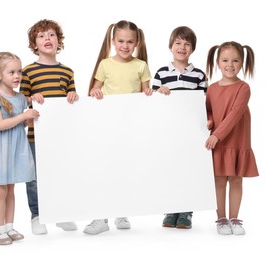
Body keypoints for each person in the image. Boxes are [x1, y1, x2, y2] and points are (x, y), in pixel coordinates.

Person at [84, 20, 153, 235]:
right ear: (113, 41)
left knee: (125, 169)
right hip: (107, 126)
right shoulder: (105, 64)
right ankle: (100, 216)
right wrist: (96, 92)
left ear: (136, 43)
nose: (125, 45)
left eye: (130, 42)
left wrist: (149, 93)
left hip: (130, 127)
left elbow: (145, 94)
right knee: (104, 169)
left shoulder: (141, 65)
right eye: (121, 41)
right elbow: (95, 89)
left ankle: (122, 212)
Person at [20, 19, 79, 235]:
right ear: (34, 44)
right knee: (34, 177)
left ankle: (60, 213)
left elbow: (72, 102)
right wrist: (30, 98)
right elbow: (21, 102)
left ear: (59, 41)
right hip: (36, 135)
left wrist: (73, 95)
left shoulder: (67, 72)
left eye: (52, 35)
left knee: (61, 174)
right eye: (42, 36)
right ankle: (38, 216)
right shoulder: (28, 72)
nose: (47, 39)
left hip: (61, 135)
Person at [0, 52, 40, 245]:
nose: (17, 76)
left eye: (19, 72)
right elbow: (1, 125)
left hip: (15, 148)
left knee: (12, 189)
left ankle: (10, 226)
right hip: (0, 150)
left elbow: (18, 124)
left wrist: (28, 119)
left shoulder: (21, 98)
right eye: (11, 72)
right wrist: (23, 117)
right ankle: (0, 230)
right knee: (1, 190)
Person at [152, 26, 207, 230]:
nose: (182, 47)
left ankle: (186, 211)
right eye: (178, 43)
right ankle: (171, 208)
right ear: (170, 46)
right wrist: (159, 91)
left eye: (187, 44)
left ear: (192, 48)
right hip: (168, 131)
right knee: (170, 168)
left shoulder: (199, 75)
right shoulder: (161, 73)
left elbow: (204, 102)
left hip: (191, 131)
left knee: (189, 169)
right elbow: (152, 101)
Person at [205, 41, 259, 235]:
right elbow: (208, 111)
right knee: (219, 180)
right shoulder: (211, 89)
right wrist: (210, 122)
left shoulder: (243, 88)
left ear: (242, 63)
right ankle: (221, 219)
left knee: (236, 180)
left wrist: (218, 135)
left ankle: (235, 218)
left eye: (235, 60)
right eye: (225, 60)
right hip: (217, 143)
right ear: (218, 62)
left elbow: (235, 114)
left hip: (236, 140)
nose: (230, 64)